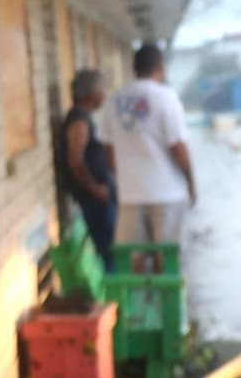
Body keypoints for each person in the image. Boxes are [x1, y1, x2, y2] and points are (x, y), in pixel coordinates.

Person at [100, 43, 196, 247]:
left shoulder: (114, 100)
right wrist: (190, 181)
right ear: (160, 67)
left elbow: (107, 148)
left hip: (130, 193)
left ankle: (139, 280)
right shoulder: (166, 98)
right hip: (167, 192)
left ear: (134, 68)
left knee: (133, 255)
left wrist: (123, 175)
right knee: (167, 255)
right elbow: (177, 145)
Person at [58, 69, 116, 271]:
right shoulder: (79, 121)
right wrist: (95, 189)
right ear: (91, 94)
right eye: (102, 90)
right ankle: (113, 296)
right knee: (109, 253)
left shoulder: (85, 117)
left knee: (112, 251)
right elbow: (75, 160)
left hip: (99, 198)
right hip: (94, 201)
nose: (104, 95)